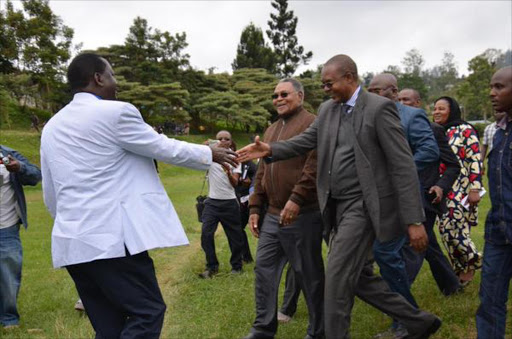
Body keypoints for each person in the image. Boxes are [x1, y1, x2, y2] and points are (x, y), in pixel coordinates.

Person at [238, 55, 441, 339]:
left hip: (365, 205)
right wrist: (270, 150)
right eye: (322, 85)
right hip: (336, 206)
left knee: (335, 276)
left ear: (349, 77)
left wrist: (414, 220)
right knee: (356, 277)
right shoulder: (328, 109)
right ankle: (419, 321)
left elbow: (403, 165)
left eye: (329, 83)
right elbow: (307, 141)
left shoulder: (379, 108)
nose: (325, 89)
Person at [40, 53, 237, 339]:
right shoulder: (116, 113)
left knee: (108, 326)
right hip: (111, 242)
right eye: (112, 76)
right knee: (148, 312)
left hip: (72, 243)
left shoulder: (52, 127)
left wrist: (69, 224)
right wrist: (210, 153)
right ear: (98, 78)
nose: (115, 83)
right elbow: (162, 147)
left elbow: (50, 190)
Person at [243, 78, 324, 339]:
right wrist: (255, 206)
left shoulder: (313, 123)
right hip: (272, 214)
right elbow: (262, 170)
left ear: (300, 96)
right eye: (275, 95)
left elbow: (314, 166)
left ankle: (318, 331)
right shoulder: (270, 130)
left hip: (304, 214)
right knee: (264, 270)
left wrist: (297, 199)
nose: (278, 99)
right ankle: (263, 329)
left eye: (284, 94)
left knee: (308, 273)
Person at [367, 73, 440, 338]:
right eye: (370, 90)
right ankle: (406, 315)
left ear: (394, 92)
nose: (372, 95)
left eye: (378, 90)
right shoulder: (368, 116)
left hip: (402, 199)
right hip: (374, 200)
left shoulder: (411, 116)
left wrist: (399, 169)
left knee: (385, 253)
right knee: (385, 256)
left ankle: (408, 320)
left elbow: (430, 151)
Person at [398, 91, 463, 297]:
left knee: (413, 248)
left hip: (425, 197)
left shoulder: (433, 130)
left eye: (406, 100)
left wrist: (440, 186)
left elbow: (453, 165)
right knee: (429, 245)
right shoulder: (394, 127)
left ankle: (397, 301)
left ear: (417, 103)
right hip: (403, 196)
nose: (402, 104)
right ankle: (451, 285)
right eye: (399, 100)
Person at [476, 66, 512, 339]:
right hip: (498, 231)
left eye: (499, 87)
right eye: (491, 86)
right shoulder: (498, 132)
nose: (492, 92)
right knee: (489, 301)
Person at [433, 96, 483, 285]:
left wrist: (475, 188)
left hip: (461, 188)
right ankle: (459, 268)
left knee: (455, 228)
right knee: (444, 231)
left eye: (442, 109)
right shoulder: (435, 131)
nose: (437, 112)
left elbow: (475, 160)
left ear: (451, 110)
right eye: (435, 108)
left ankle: (474, 261)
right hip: (441, 187)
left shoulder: (465, 130)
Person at [0, 145, 41, 329]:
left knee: (8, 276)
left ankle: (8, 319)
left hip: (5, 227)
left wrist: (20, 168)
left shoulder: (6, 153)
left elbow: (35, 175)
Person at [199, 130, 245, 278]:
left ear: (231, 142)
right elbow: (197, 152)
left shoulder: (235, 158)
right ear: (217, 141)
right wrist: (206, 145)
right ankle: (211, 267)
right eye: (220, 139)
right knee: (206, 234)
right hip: (212, 202)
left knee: (235, 237)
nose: (223, 141)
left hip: (229, 202)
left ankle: (237, 266)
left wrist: (228, 171)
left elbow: (235, 183)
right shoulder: (210, 156)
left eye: (227, 139)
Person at [232, 140, 256, 264]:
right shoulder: (233, 164)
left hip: (248, 200)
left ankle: (246, 256)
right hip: (237, 199)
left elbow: (256, 179)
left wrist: (249, 183)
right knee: (238, 228)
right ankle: (246, 256)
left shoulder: (250, 165)